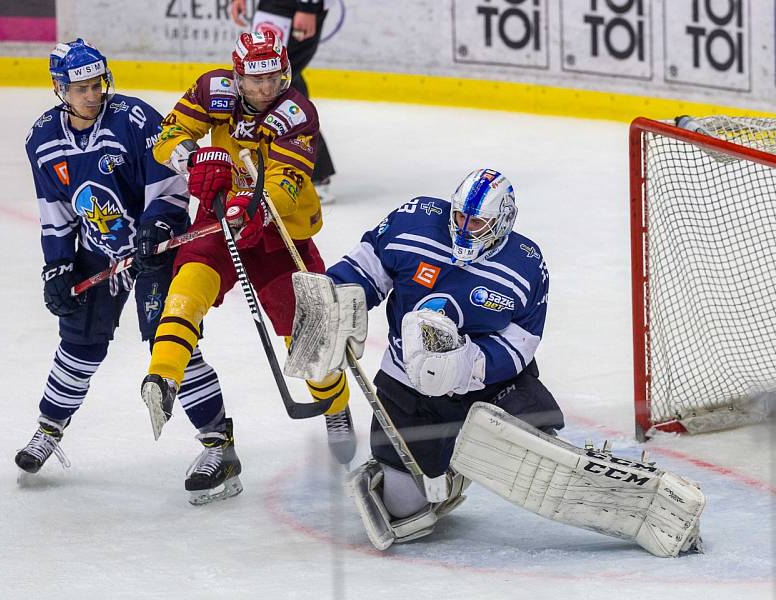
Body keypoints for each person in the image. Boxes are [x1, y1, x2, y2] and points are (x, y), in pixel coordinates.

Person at [286, 168, 705, 556]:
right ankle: (439, 472)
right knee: (405, 515)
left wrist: (470, 365)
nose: (463, 228)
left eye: (477, 222)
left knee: (542, 454)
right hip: (405, 384)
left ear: (502, 221)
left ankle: (631, 505)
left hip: (488, 386)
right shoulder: (413, 221)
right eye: (459, 217)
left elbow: (522, 342)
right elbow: (366, 266)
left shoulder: (525, 264)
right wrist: (335, 299)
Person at [15, 39, 240, 506]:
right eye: (81, 88)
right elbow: (55, 210)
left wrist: (158, 223)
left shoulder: (135, 120)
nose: (93, 94)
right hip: (100, 251)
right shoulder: (42, 140)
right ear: (60, 88)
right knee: (79, 342)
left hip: (153, 246)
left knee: (170, 339)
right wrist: (57, 266)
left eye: (98, 83)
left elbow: (171, 182)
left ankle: (219, 445)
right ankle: (48, 429)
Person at [142, 30, 355, 466]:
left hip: (278, 229)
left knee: (307, 333)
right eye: (254, 80)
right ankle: (162, 375)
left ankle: (335, 407)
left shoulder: (297, 112)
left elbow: (286, 184)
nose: (264, 89)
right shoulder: (211, 90)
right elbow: (170, 133)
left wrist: (253, 204)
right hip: (220, 218)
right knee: (189, 284)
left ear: (285, 73)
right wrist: (193, 159)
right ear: (238, 77)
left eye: (273, 78)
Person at [252, 0, 336, 204]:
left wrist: (307, 6)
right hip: (273, 7)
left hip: (293, 8)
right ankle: (311, 170)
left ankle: (315, 173)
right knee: (280, 79)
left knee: (275, 83)